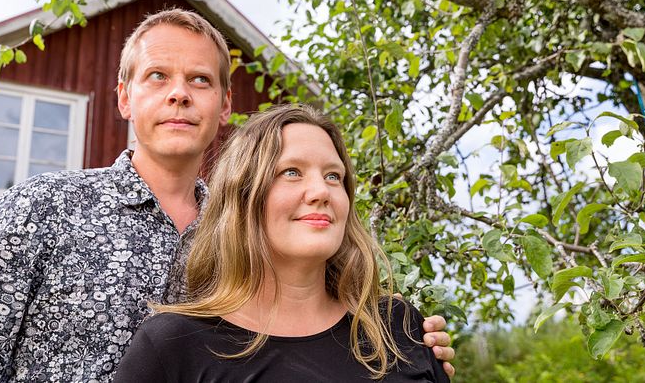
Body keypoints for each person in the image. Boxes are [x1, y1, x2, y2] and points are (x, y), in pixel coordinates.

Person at [0, 10, 454, 381]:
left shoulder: (252, 223)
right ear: (124, 97)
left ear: (226, 104)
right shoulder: (42, 208)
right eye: (158, 76)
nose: (179, 93)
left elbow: (319, 317)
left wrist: (408, 345)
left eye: (200, 80)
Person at [114, 105, 451, 382]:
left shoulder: (396, 326)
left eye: (334, 176)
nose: (321, 192)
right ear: (243, 196)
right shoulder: (172, 346)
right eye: (291, 172)